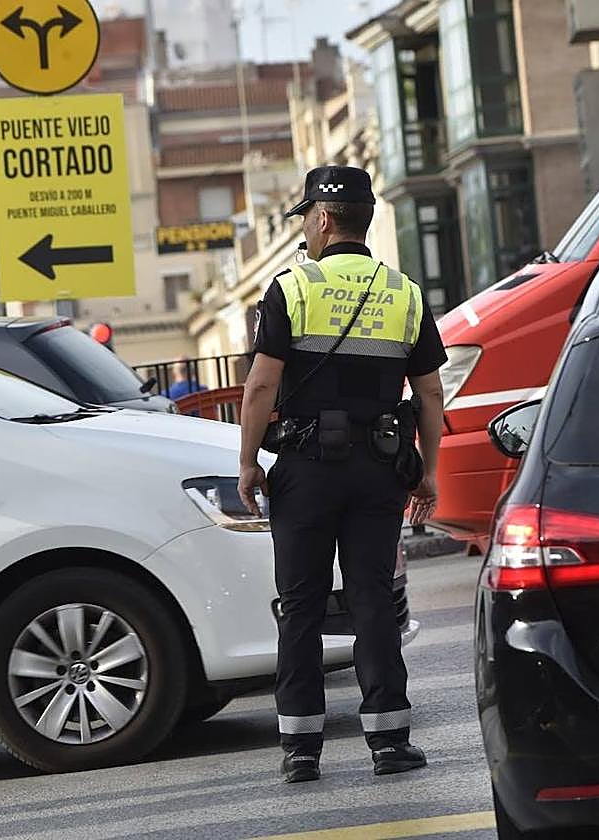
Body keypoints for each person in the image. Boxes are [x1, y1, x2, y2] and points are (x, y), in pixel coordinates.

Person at [237, 165, 446, 784]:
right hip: (380, 469)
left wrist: (249, 462)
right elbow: (430, 395)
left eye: (306, 214)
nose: (305, 225)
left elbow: (261, 386)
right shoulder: (405, 294)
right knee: (372, 600)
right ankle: (389, 740)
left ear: (323, 219)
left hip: (304, 470)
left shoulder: (292, 289)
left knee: (299, 605)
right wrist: (427, 474)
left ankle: (301, 749)